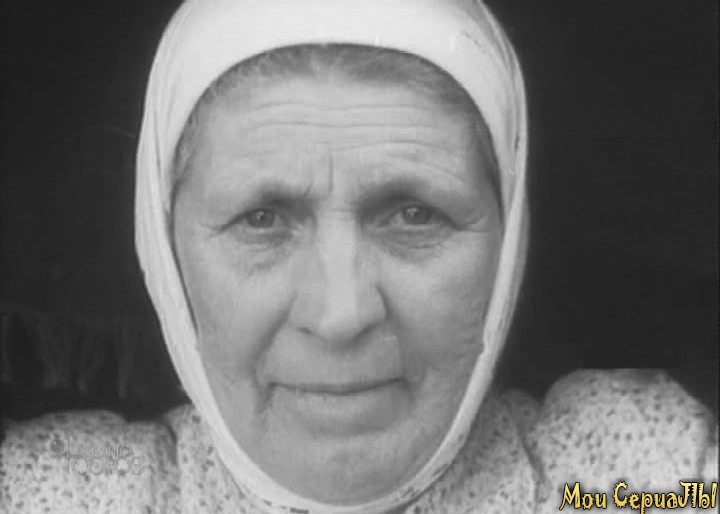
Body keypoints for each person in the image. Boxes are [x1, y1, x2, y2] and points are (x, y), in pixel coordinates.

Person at [1, 0, 717, 512]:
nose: (340, 315)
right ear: (166, 256)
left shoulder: (640, 478)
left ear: (509, 246)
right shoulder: (70, 487)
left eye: (414, 214)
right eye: (261, 219)